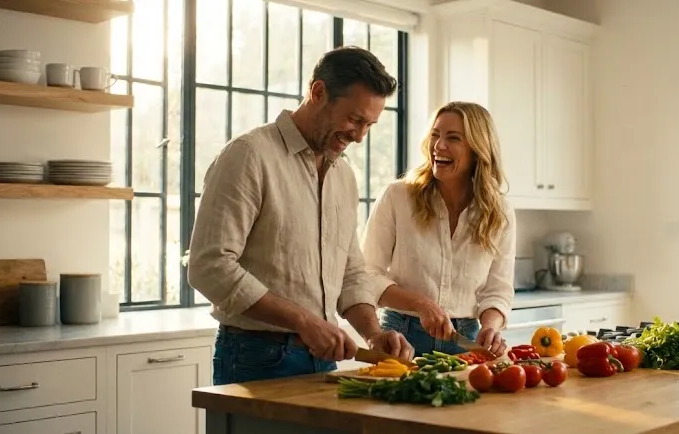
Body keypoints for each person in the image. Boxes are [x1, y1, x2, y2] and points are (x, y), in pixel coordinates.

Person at [187, 46, 414, 385]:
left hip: (323, 361)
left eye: (369, 124)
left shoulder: (344, 175)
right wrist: (305, 322)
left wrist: (373, 333)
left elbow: (350, 272)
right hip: (255, 357)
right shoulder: (249, 156)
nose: (360, 136)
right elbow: (209, 266)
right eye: (354, 119)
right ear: (318, 92)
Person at [360, 101, 516, 357]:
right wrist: (421, 304)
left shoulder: (499, 211)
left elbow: (498, 290)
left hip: (466, 338)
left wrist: (490, 326)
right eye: (435, 135)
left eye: (453, 138)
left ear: (478, 149)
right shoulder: (397, 196)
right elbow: (366, 273)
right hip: (401, 336)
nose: (438, 145)